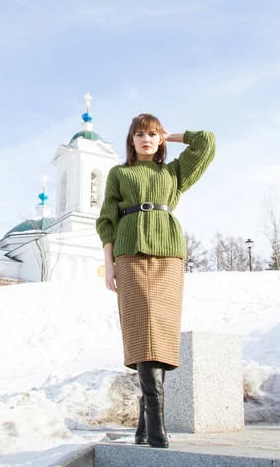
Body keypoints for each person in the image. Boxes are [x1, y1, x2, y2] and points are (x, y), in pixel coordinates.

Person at [96, 114, 215, 448]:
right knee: (140, 326)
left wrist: (171, 135)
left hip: (168, 256)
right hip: (129, 253)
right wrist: (109, 264)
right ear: (130, 141)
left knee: (160, 329)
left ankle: (145, 421)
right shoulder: (119, 173)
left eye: (152, 134)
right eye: (139, 134)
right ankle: (156, 424)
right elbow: (106, 220)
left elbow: (207, 141)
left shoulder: (173, 172)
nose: (146, 139)